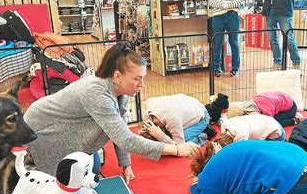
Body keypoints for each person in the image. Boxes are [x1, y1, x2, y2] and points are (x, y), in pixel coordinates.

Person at [24, 42, 196, 183]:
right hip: (43, 127)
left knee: (93, 169)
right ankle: (33, 165)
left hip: (66, 124)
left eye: (143, 78)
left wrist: (126, 164)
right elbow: (125, 138)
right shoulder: (96, 92)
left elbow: (119, 129)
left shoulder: (120, 91)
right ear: (117, 76)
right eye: (137, 79)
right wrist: (176, 149)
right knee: (60, 181)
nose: (142, 85)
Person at [138, 93, 213, 145]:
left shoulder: (172, 119)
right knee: (170, 136)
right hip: (187, 105)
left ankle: (203, 136)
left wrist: (160, 136)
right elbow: (148, 101)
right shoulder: (148, 111)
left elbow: (179, 146)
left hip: (202, 116)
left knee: (184, 140)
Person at [208, 0, 244, 77]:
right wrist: (223, 5)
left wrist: (226, 5)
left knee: (234, 42)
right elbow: (211, 2)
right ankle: (217, 68)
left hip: (233, 15)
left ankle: (235, 68)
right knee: (217, 42)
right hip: (217, 17)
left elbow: (239, 0)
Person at [262, 0, 301, 69]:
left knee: (289, 39)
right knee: (272, 38)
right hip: (270, 10)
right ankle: (277, 62)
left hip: (285, 10)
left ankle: (296, 63)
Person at [228, 92, 303, 127]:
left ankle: (294, 120)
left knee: (275, 123)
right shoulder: (254, 100)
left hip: (290, 108)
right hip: (283, 100)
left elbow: (268, 124)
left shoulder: (267, 109)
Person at [218, 113, 286, 144]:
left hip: (275, 132)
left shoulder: (242, 135)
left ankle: (283, 144)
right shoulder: (226, 124)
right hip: (268, 121)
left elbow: (244, 152)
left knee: (266, 154)